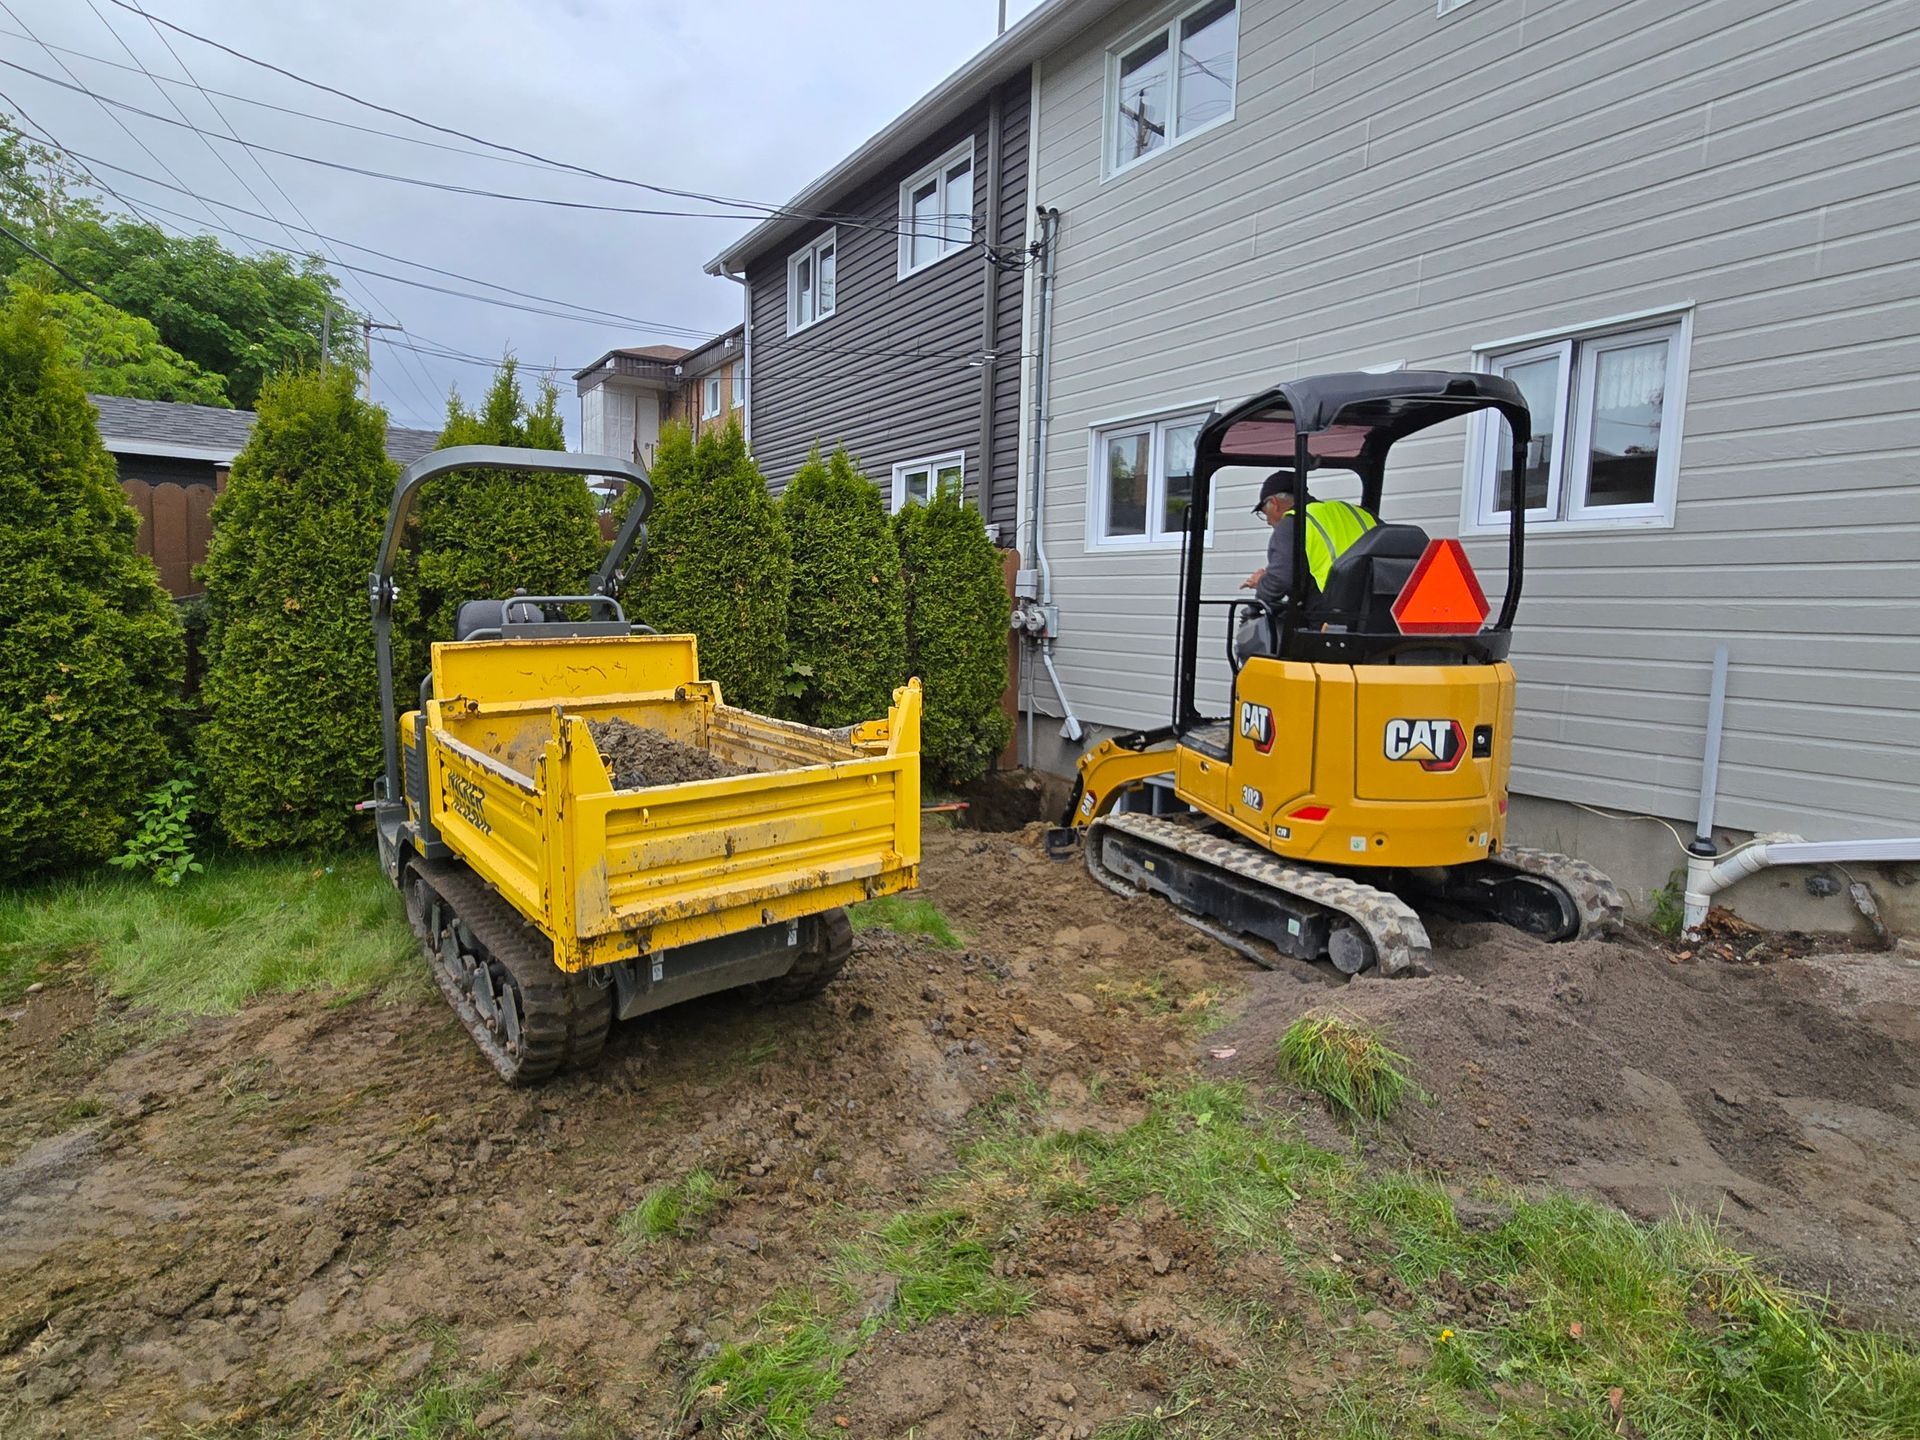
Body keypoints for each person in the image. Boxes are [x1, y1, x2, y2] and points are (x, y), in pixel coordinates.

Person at [1234, 471, 1377, 660]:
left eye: (1264, 512)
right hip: (1375, 622)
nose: (1268, 521)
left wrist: (1262, 584)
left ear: (1274, 503)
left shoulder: (1294, 522)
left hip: (1330, 629)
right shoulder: (1356, 513)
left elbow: (1279, 582)